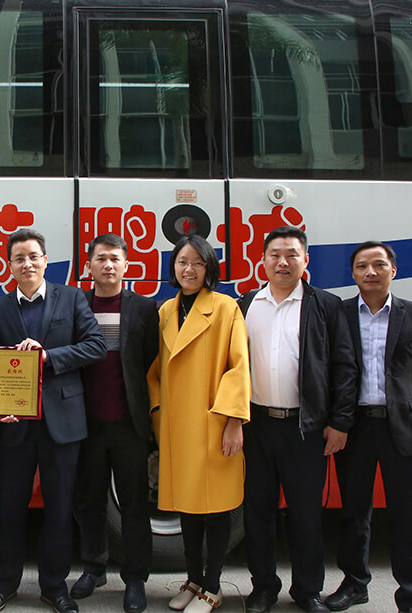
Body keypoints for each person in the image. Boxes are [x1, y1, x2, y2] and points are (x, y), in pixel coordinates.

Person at [0, 228, 106, 613]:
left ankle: (54, 587)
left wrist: (48, 355)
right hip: (15, 423)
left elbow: (95, 345)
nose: (27, 264)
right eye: (19, 258)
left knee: (59, 509)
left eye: (34, 256)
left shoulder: (71, 298)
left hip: (62, 423)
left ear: (45, 260)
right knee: (11, 508)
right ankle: (3, 584)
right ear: (9, 265)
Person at [238, 226, 358, 613]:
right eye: (275, 254)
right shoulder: (245, 304)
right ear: (262, 260)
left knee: (306, 514)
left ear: (305, 260)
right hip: (256, 426)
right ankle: (263, 588)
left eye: (291, 254)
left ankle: (307, 590)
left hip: (305, 428)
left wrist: (339, 422)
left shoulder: (326, 305)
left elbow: (345, 367)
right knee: (258, 512)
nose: (283, 262)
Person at [325, 241, 412, 613]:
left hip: (403, 428)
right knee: (353, 513)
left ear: (394, 270)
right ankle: (354, 583)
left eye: (378, 264)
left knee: (409, 515)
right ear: (353, 273)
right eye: (362, 266)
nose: (370, 272)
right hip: (355, 426)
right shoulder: (339, 314)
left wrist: (403, 404)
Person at [147, 234, 250, 613]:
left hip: (214, 424)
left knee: (217, 509)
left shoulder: (226, 308)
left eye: (197, 263)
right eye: (182, 262)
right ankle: (193, 579)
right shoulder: (165, 311)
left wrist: (234, 421)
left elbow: (238, 367)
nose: (188, 269)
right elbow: (154, 371)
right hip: (177, 427)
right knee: (187, 509)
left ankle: (213, 585)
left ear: (209, 268)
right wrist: (159, 412)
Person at [69, 233, 158, 613]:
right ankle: (94, 568)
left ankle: (135, 578)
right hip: (85, 423)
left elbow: (151, 361)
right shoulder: (77, 304)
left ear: (126, 265)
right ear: (88, 265)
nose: (108, 265)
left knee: (134, 504)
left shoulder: (144, 308)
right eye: (101, 258)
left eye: (115, 259)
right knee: (89, 501)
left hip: (129, 425)